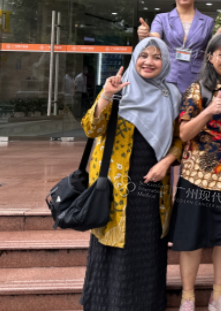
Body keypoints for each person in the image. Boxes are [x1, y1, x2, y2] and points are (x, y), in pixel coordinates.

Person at [79, 38, 183, 311]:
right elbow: (91, 128)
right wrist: (106, 96)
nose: (149, 61)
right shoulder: (119, 89)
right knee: (114, 243)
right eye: (144, 55)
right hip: (114, 184)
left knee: (147, 243)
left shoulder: (171, 94)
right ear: (135, 58)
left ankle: (147, 303)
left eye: (156, 57)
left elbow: (179, 139)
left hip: (153, 183)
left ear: (165, 63)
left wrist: (167, 163)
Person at [170, 33, 221, 311]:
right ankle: (188, 297)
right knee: (191, 238)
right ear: (211, 58)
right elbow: (183, 132)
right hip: (198, 175)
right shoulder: (197, 89)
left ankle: (218, 296)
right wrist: (207, 113)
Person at [138, 0, 215, 93]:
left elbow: (214, 49)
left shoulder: (208, 22)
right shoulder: (162, 18)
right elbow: (155, 38)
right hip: (168, 77)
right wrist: (146, 35)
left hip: (198, 79)